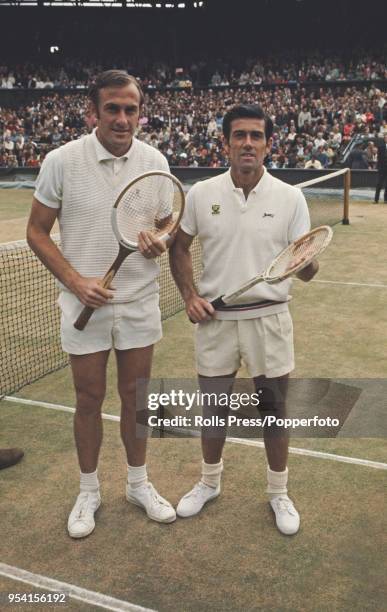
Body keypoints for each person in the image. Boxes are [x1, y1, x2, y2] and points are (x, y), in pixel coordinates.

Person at [26, 70, 176, 539]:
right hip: (82, 304)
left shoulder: (155, 161)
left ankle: (138, 483)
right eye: (112, 108)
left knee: (135, 399)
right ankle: (88, 490)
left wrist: (160, 241)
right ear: (93, 112)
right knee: (88, 399)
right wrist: (75, 281)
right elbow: (36, 231)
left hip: (139, 302)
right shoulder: (61, 161)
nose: (122, 118)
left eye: (130, 108)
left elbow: (168, 223)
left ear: (139, 112)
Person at [169, 104, 319, 536]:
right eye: (240, 136)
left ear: (269, 143)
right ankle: (208, 483)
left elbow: (304, 265)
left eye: (256, 136)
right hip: (216, 319)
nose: (248, 143)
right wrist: (188, 295)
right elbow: (178, 247)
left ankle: (278, 493)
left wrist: (307, 263)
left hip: (269, 319)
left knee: (273, 411)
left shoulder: (291, 198)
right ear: (226, 144)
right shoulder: (201, 194)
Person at [374, 133, 387, 203]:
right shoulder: (381, 146)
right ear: (384, 139)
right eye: (385, 138)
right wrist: (378, 167)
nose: (386, 139)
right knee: (379, 184)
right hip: (382, 168)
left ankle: (386, 199)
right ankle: (376, 199)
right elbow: (379, 158)